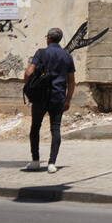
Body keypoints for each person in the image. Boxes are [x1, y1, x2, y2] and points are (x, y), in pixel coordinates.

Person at [24, 28, 76, 173]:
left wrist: (27, 86)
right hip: (58, 97)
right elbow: (71, 81)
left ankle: (35, 161)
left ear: (48, 38)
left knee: (35, 127)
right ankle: (52, 163)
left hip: (40, 97)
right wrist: (68, 99)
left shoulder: (41, 53)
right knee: (56, 128)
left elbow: (29, 72)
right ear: (59, 39)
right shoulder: (67, 55)